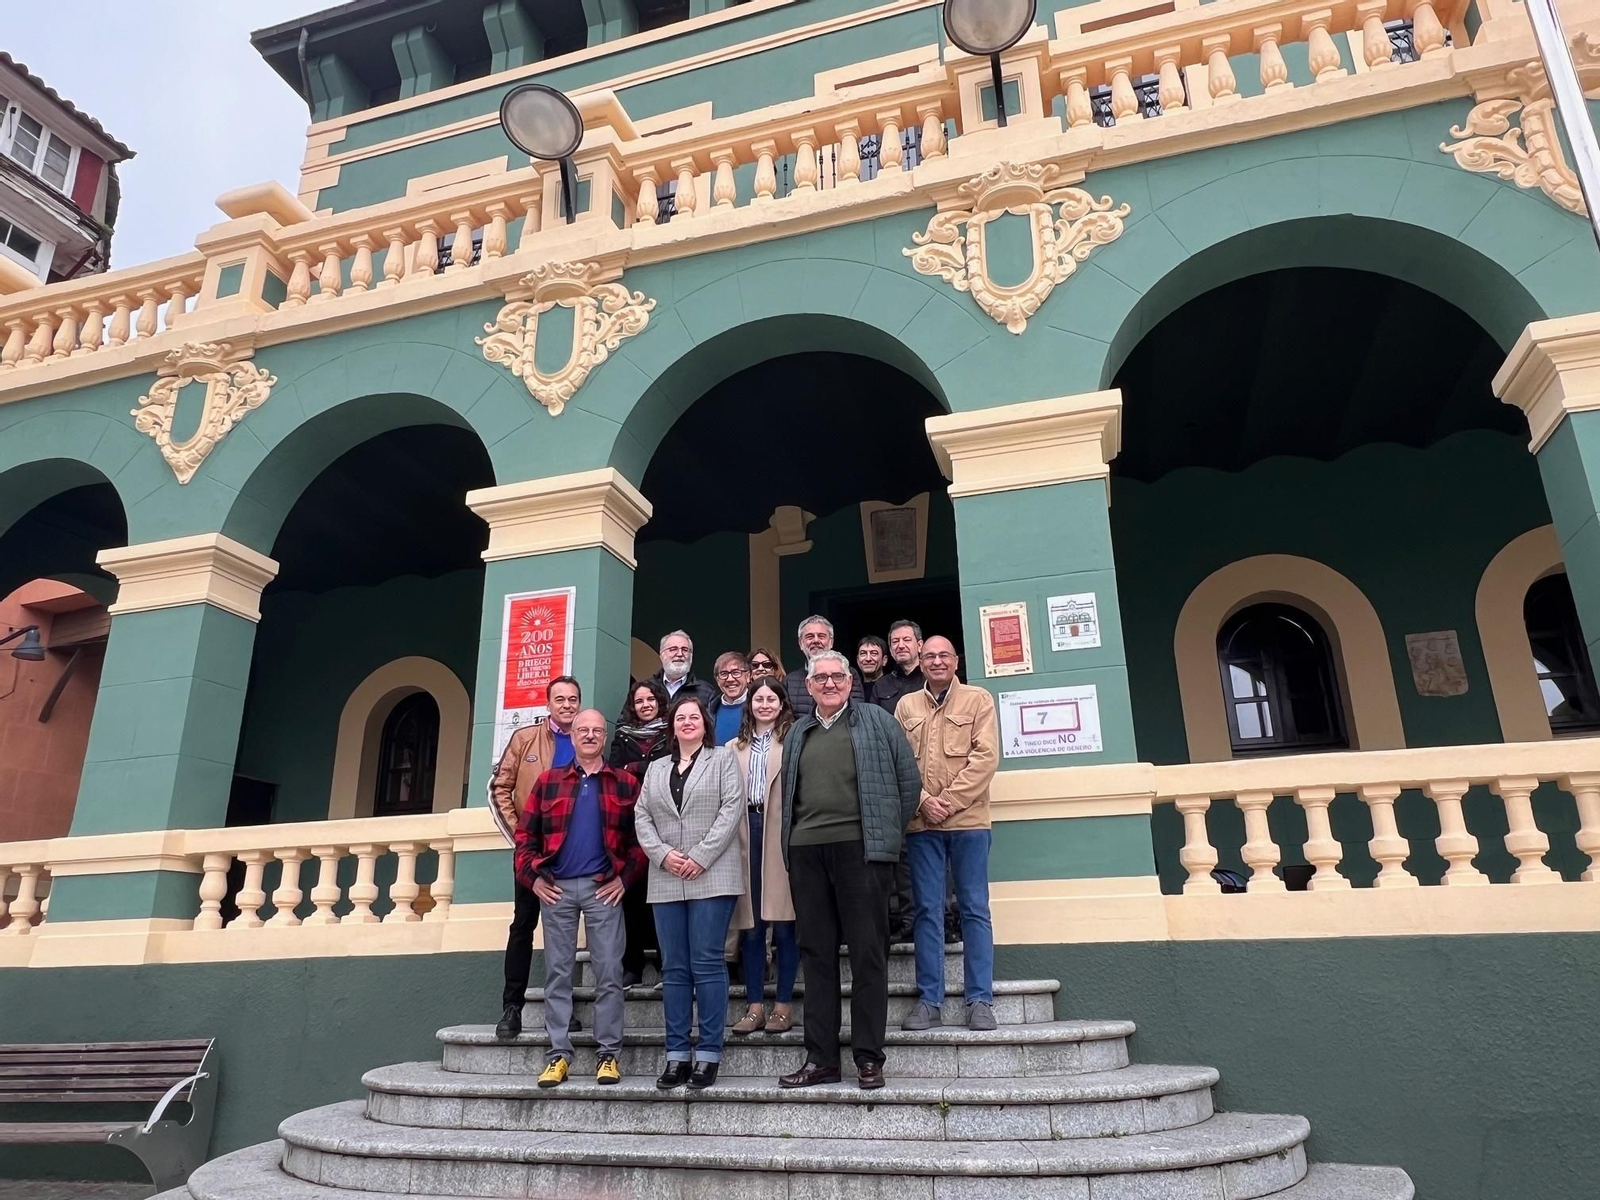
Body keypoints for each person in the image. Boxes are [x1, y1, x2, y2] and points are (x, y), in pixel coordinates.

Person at [777, 650, 920, 1092]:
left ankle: (868, 1058)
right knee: (816, 957)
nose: (828, 683)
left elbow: (908, 783)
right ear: (810, 685)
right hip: (806, 853)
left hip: (861, 853)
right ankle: (821, 1060)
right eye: (820, 678)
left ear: (850, 680)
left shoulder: (878, 720)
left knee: (867, 955)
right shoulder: (798, 730)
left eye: (837, 676)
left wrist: (884, 836)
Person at [512, 708, 646, 1088]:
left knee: (609, 973)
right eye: (582, 730)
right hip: (555, 888)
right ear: (572, 736)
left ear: (605, 738)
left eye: (596, 731)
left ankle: (608, 1055)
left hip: (602, 887)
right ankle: (558, 1055)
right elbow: (525, 839)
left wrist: (624, 878)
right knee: (557, 973)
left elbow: (641, 841)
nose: (589, 735)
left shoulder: (624, 784)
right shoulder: (548, 782)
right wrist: (533, 880)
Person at [634, 693, 747, 1090]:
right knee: (675, 969)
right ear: (672, 725)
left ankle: (709, 1053)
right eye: (679, 717)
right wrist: (665, 857)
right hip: (666, 877)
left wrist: (699, 856)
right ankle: (677, 1054)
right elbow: (642, 815)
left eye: (693, 716)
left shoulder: (723, 760)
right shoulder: (657, 768)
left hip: (712, 874)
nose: (686, 722)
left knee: (706, 962)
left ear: (705, 722)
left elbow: (731, 810)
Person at [894, 637, 1000, 1032]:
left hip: (969, 822)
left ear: (957, 660)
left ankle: (980, 1000)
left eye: (944, 655)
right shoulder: (907, 706)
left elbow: (985, 757)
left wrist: (948, 802)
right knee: (926, 910)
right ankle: (929, 1001)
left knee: (974, 908)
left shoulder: (978, 700)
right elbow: (900, 761)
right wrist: (922, 800)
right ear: (920, 662)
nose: (937, 661)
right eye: (929, 656)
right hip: (922, 825)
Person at [489, 675, 581, 1041]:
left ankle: (563, 1010)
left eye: (573, 699)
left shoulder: (586, 738)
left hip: (572, 854)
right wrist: (521, 840)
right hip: (532, 855)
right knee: (523, 925)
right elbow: (500, 789)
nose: (567, 705)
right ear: (548, 704)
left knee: (564, 931)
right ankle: (512, 1008)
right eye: (560, 699)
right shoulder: (525, 739)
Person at [729, 677, 798, 1036]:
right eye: (759, 698)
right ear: (749, 704)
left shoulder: (794, 740)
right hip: (745, 834)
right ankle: (755, 1006)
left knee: (785, 925)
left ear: (782, 703)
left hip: (780, 836)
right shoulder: (732, 747)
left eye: (772, 698)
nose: (765, 704)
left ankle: (783, 1006)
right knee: (751, 928)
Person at [608, 678, 671, 985]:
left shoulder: (671, 733)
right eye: (639, 701)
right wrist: (646, 768)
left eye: (650, 700)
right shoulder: (622, 736)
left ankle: (664, 962)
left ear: (660, 701)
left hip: (665, 824)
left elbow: (672, 768)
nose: (645, 705)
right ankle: (631, 965)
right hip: (629, 824)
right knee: (631, 896)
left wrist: (638, 768)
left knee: (663, 896)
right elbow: (616, 774)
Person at [782, 615, 865, 718]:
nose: (816, 640)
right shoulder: (789, 681)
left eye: (821, 636)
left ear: (831, 642)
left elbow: (856, 711)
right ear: (800, 643)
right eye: (809, 637)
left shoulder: (848, 673)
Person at [646, 630, 718, 709]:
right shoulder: (647, 688)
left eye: (685, 649)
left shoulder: (706, 692)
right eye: (673, 649)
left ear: (691, 656)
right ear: (661, 655)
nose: (680, 654)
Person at [871, 619, 924, 714]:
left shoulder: (932, 680)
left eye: (906, 640)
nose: (901, 645)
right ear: (891, 650)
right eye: (895, 641)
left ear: (919, 645)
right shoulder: (881, 685)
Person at [707, 651, 750, 747]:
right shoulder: (710, 710)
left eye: (736, 673)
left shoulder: (758, 708)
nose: (730, 679)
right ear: (717, 680)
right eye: (724, 673)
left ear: (748, 676)